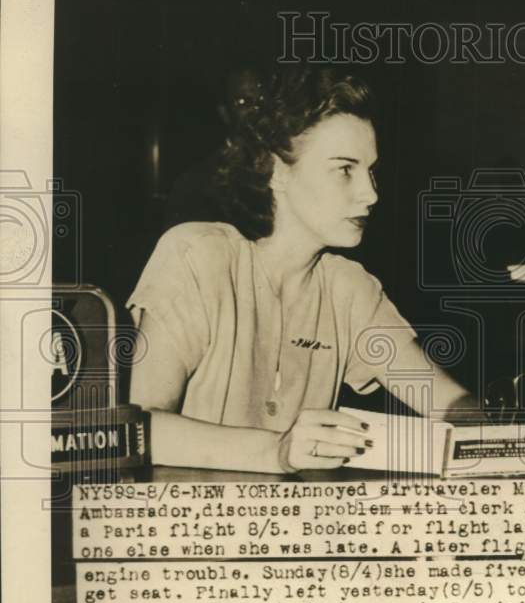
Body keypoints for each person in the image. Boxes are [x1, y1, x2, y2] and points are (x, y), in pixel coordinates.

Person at [128, 66, 485, 473]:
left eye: (371, 171)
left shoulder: (349, 289)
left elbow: (447, 402)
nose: (371, 194)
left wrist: (503, 432)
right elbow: (140, 425)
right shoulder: (196, 257)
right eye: (345, 169)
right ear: (278, 173)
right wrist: (277, 451)